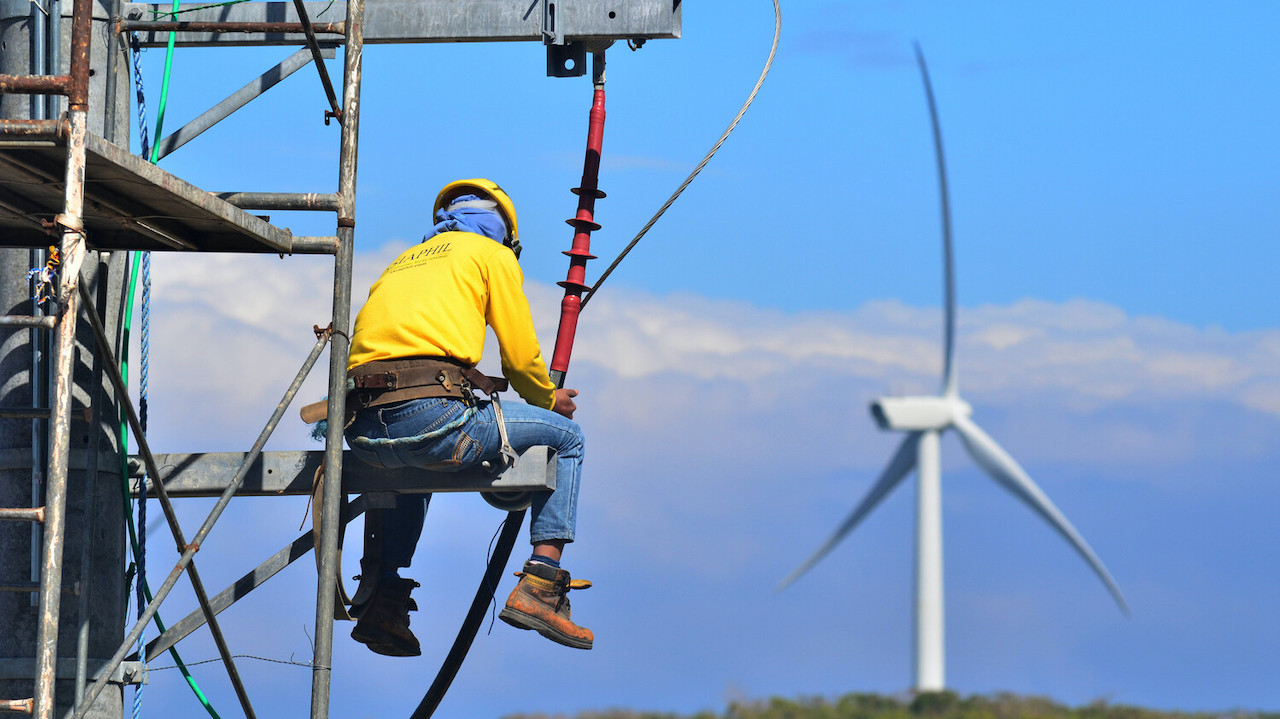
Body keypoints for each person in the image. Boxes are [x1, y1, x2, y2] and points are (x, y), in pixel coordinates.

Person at [342, 178, 592, 656]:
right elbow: (519, 362)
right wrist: (547, 399)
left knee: (409, 475)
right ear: (504, 233)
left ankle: (383, 597)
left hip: (362, 431)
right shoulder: (489, 256)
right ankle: (542, 583)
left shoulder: (401, 263)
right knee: (569, 439)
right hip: (432, 418)